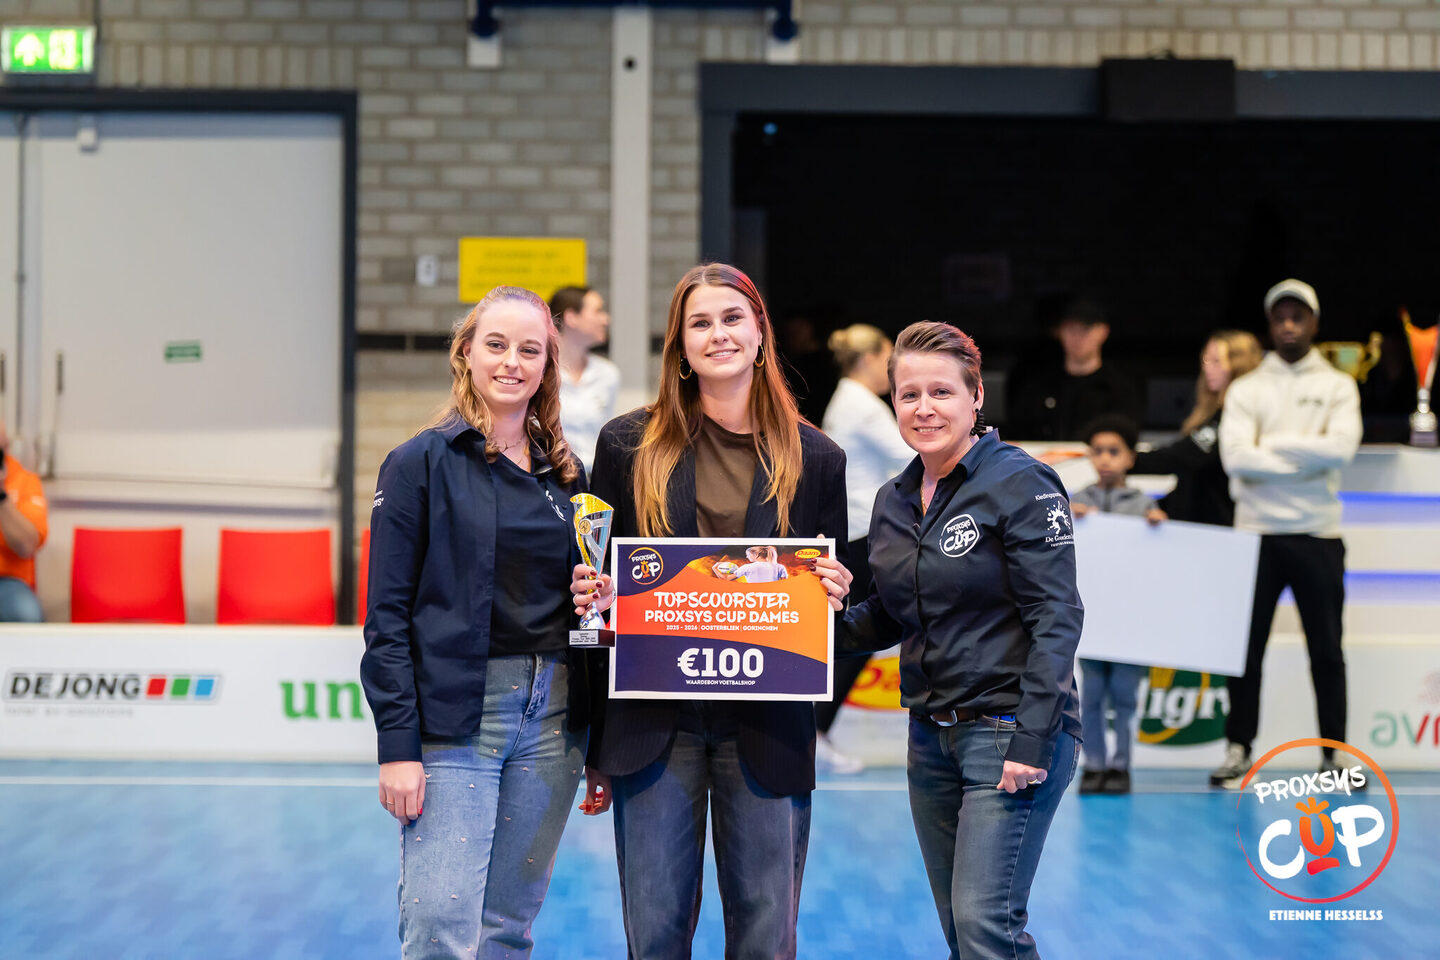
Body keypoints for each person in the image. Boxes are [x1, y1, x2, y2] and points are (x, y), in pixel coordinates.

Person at [570, 263, 852, 960]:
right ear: (680, 346)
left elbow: (830, 610)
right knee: (655, 935)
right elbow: (595, 600)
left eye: (732, 318)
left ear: (760, 334)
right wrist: (592, 734)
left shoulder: (818, 457)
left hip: (768, 727)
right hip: (651, 726)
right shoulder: (625, 445)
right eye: (700, 322)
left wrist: (836, 590)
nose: (718, 333)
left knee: (765, 937)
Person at [360, 285, 601, 959]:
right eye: (496, 345)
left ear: (548, 365)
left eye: (530, 350)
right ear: (466, 352)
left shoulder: (568, 475)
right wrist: (398, 747)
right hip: (458, 718)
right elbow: (385, 619)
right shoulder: (417, 464)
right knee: (440, 927)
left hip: (555, 718)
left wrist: (595, 593)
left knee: (506, 929)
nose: (511, 362)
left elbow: (583, 606)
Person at [839, 321, 1081, 960]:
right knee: (964, 931)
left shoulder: (1021, 482)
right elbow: (890, 615)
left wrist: (1033, 738)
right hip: (930, 738)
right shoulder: (892, 501)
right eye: (908, 394)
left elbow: (1057, 616)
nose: (924, 408)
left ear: (976, 398)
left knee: (985, 925)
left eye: (941, 392)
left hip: (1009, 729)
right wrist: (808, 624)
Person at [1211, 279, 1363, 789]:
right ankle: (1238, 748)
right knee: (1244, 650)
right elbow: (1237, 458)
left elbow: (1341, 451)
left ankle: (1335, 755)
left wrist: (1270, 447)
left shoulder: (1339, 386)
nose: (1289, 325)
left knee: (1327, 652)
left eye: (1298, 316)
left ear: (1314, 322)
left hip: (1319, 534)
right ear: (1270, 324)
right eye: (1280, 317)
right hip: (1255, 536)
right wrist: (1307, 457)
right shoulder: (1247, 388)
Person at [819, 323, 915, 774]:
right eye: (888, 359)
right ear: (869, 358)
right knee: (855, 636)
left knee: (856, 635)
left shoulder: (848, 398)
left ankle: (816, 729)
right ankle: (815, 730)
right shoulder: (861, 404)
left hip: (857, 531)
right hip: (861, 535)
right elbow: (913, 455)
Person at [1070, 415, 1161, 795]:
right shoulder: (1075, 502)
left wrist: (1158, 528)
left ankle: (1121, 766)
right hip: (1092, 621)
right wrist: (1070, 519)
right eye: (1098, 451)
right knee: (1090, 698)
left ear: (1130, 458)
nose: (1105, 459)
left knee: (1124, 698)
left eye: (1114, 451)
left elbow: (1158, 562)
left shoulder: (1144, 505)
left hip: (1130, 623)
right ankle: (1093, 765)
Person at [1130, 330, 1263, 526]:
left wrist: (1128, 460)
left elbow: (1185, 456)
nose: (1208, 368)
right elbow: (1191, 479)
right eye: (1206, 360)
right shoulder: (1207, 414)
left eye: (1217, 361)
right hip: (1195, 527)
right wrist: (1159, 507)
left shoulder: (1233, 418)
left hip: (1223, 528)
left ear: (1239, 365)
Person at [1007, 297, 1143, 440]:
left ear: (1103, 332)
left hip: (1097, 454)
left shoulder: (1119, 388)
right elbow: (1016, 433)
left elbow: (1126, 435)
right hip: (1042, 454)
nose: (1077, 338)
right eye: (1071, 329)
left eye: (1085, 329)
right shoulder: (1038, 386)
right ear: (1059, 332)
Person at [551, 285, 620, 471]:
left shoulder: (608, 374)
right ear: (571, 318)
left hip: (594, 476)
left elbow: (606, 438)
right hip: (551, 474)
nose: (606, 319)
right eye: (598, 311)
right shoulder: (540, 373)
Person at [0, 420, 47, 623]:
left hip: (7, 581)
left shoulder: (26, 481)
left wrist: (1, 496)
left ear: (6, 446)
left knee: (26, 614)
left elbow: (27, 545)